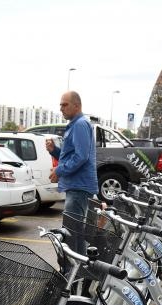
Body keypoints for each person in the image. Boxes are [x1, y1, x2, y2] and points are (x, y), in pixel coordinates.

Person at [45, 91, 98, 254]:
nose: (61, 108)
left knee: (71, 234)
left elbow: (81, 156)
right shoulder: (76, 124)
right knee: (75, 234)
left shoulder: (80, 124)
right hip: (76, 186)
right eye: (60, 105)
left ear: (77, 105)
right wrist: (55, 151)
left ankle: (75, 274)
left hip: (78, 187)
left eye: (65, 104)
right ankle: (79, 273)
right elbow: (72, 154)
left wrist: (59, 170)